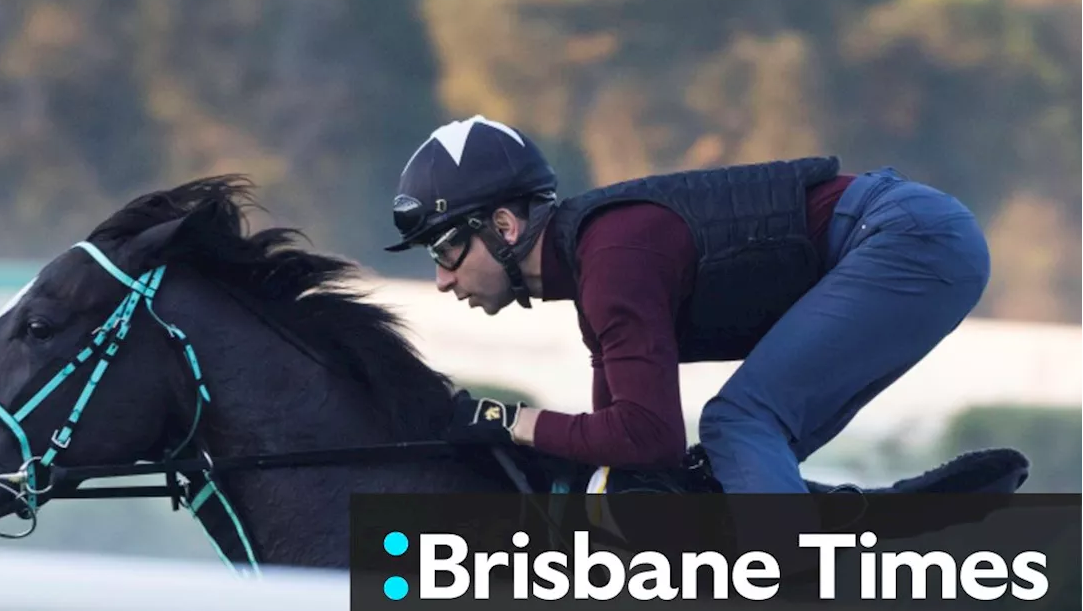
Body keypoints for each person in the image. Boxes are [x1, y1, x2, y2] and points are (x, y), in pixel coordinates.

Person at [384, 114, 991, 496]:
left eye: (446, 248)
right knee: (719, 463)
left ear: (504, 226)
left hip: (906, 236)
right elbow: (625, 452)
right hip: (909, 235)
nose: (442, 278)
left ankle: (796, 597)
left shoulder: (612, 263)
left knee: (740, 424)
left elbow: (649, 437)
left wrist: (509, 422)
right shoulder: (595, 275)